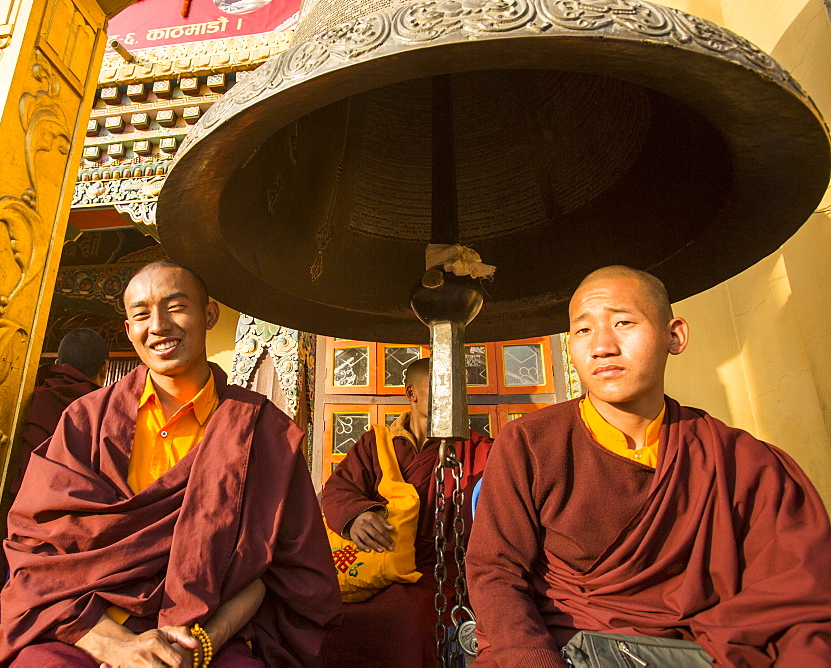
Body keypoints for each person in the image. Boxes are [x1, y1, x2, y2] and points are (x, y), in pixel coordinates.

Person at [0, 260, 342, 667]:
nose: (159, 326)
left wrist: (202, 644)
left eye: (176, 307)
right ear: (129, 330)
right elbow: (34, 551)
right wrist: (112, 645)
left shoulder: (260, 430)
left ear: (209, 314)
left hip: (204, 632)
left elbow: (277, 570)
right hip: (84, 626)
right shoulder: (86, 421)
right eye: (142, 314)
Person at [467, 265, 831, 666]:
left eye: (623, 322)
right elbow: (496, 571)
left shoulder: (743, 461)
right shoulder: (531, 443)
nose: (602, 347)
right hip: (565, 649)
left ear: (674, 336)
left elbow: (799, 600)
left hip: (704, 655)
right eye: (583, 330)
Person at [320, 357, 492, 666]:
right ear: (411, 394)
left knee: (405, 621)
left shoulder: (480, 448)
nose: (448, 396)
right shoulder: (377, 443)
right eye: (438, 387)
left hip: (437, 574)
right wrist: (358, 516)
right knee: (322, 618)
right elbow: (337, 490)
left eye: (456, 389)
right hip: (374, 565)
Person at [9, 328, 108, 496]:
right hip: (81, 509)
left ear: (57, 364)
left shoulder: (31, 399)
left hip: (24, 503)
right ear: (105, 368)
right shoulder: (105, 410)